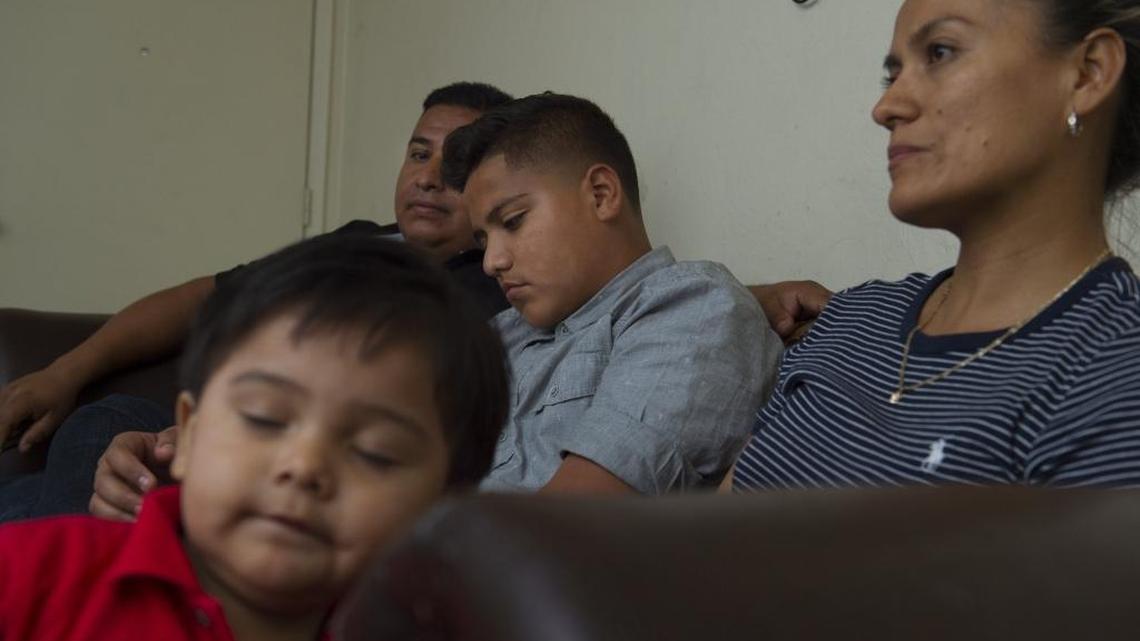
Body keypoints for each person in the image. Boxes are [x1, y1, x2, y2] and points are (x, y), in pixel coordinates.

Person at [0, 81, 514, 521]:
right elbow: (202, 298)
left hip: (254, 457)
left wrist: (233, 434)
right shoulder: (359, 242)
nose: (427, 177)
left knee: (100, 425)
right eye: (419, 154)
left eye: (457, 164)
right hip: (182, 437)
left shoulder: (496, 284)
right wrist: (65, 373)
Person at [0, 233, 510, 641]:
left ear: (444, 505)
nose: (303, 465)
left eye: (374, 452)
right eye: (265, 419)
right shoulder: (29, 573)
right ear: (190, 434)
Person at [730, 0, 1140, 491]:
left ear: (1087, 74)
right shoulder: (854, 316)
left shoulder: (1114, 375)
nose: (886, 108)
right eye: (892, 75)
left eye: (941, 52)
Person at [442, 93, 783, 494]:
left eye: (513, 222)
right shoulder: (501, 334)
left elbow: (575, 521)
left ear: (601, 194)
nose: (491, 262)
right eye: (483, 240)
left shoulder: (693, 306)